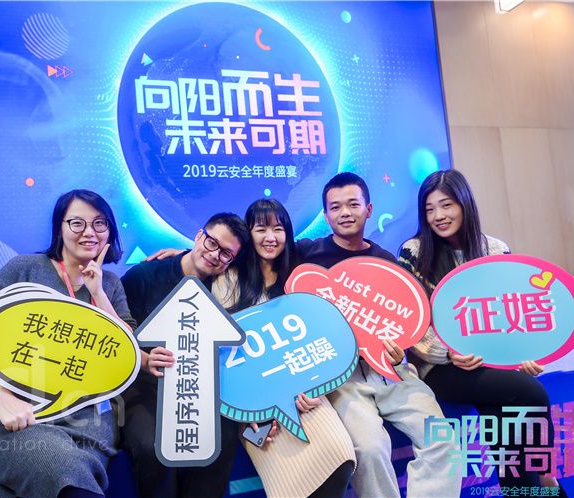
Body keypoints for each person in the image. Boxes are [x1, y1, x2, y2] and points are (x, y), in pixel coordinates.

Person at [0, 189, 153, 498]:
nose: (89, 232)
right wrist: (3, 397)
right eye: (77, 223)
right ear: (59, 228)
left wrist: (98, 293)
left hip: (90, 421)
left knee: (74, 470)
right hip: (24, 416)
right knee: (60, 469)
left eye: (99, 223)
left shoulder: (110, 283)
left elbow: (126, 348)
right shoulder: (24, 269)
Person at [296, 172, 461, 498]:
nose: (345, 212)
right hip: (341, 377)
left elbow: (405, 324)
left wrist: (401, 350)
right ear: (325, 215)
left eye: (353, 204)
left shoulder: (387, 262)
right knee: (370, 448)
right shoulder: (306, 255)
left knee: (442, 439)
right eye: (335, 207)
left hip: (392, 369)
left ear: (369, 209)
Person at [397, 169, 563, 492]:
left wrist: (522, 355)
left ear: (465, 204)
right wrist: (447, 353)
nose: (438, 216)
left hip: (493, 360)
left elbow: (513, 311)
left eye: (446, 205)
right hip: (441, 368)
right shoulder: (414, 252)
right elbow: (407, 320)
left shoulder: (496, 249)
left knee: (503, 417)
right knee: (532, 393)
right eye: (429, 209)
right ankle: (546, 477)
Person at [210, 199, 356, 498]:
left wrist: (316, 387)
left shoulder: (299, 278)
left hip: (305, 397)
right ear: (248, 234)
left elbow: (320, 342)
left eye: (278, 229)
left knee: (340, 457)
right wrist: (251, 408)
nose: (270, 237)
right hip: (253, 408)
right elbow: (223, 356)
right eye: (261, 229)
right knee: (289, 483)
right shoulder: (228, 280)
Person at [120, 213, 250, 498]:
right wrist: (143, 358)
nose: (215, 255)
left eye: (226, 254)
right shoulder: (143, 276)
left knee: (220, 438)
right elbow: (116, 333)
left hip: (201, 386)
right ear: (199, 235)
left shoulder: (225, 290)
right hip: (144, 384)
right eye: (212, 243)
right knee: (152, 446)